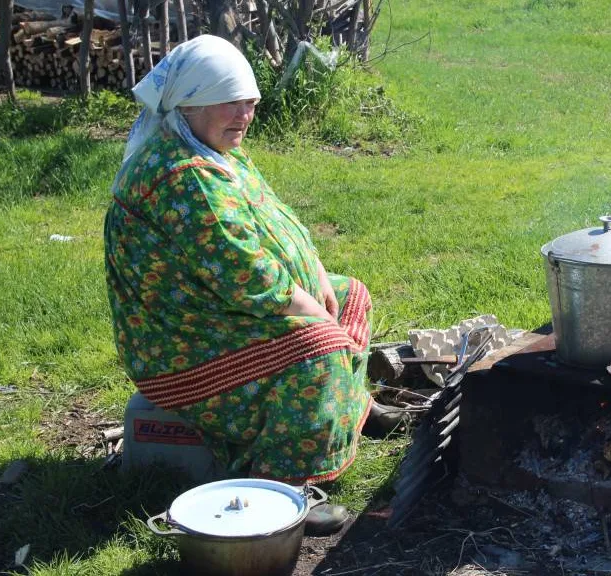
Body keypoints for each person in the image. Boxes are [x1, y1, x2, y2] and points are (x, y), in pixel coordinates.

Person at [103, 35, 398, 534]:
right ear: (191, 103)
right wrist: (306, 305)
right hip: (183, 341)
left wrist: (318, 274)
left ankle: (353, 410)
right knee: (319, 344)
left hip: (218, 308)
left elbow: (278, 222)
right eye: (232, 102)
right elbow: (243, 273)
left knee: (351, 295)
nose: (246, 114)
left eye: (252, 102)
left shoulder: (215, 151)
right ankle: (286, 486)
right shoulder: (181, 175)